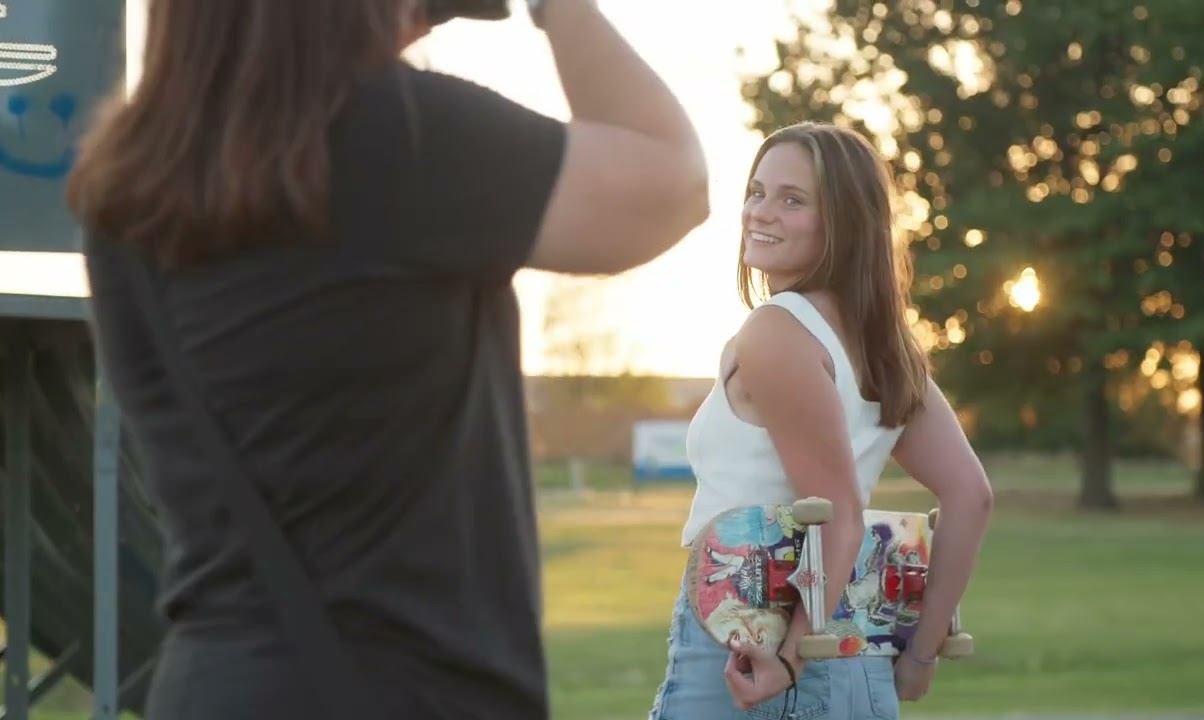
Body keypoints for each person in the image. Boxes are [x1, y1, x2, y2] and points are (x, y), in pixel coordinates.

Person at [66, 0, 709, 718]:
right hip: (405, 688)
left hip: (214, 681)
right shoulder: (399, 136)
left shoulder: (122, 190)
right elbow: (672, 182)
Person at [647, 121, 993, 720]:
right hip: (860, 658)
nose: (762, 212)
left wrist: (787, 661)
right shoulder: (883, 347)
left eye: (793, 200)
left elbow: (839, 515)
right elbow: (971, 496)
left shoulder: (777, 331)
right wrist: (921, 654)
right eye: (757, 191)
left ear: (844, 223)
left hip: (755, 649)